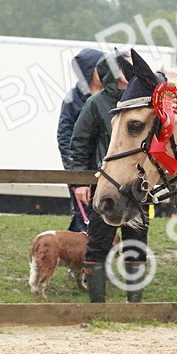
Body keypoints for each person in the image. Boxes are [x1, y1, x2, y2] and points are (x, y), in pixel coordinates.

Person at [69, 52, 149, 303]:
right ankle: (98, 310)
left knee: (137, 245)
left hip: (137, 186)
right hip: (106, 187)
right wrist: (81, 181)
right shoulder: (96, 103)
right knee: (98, 245)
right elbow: (79, 142)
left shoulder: (143, 102)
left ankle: (133, 307)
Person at [57, 48, 105, 232]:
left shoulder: (113, 94)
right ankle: (81, 258)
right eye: (100, 66)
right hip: (82, 168)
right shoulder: (72, 99)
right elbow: (64, 136)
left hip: (108, 167)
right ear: (88, 70)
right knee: (83, 216)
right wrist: (76, 177)